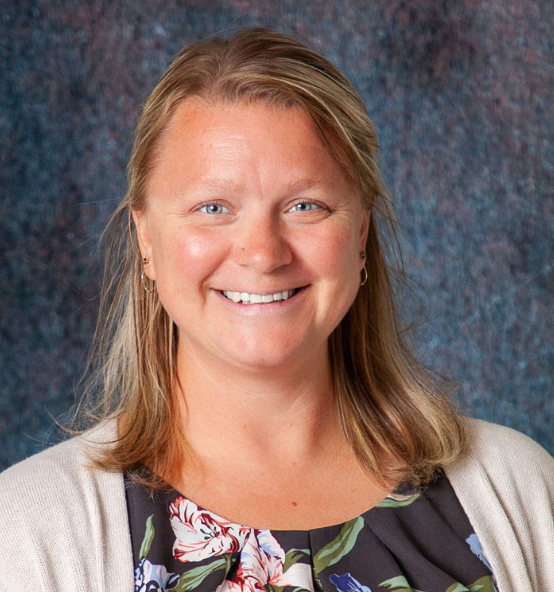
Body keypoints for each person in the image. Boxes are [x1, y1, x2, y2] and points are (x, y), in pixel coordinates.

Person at [0, 27, 552, 592]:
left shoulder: (516, 489)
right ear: (146, 239)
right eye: (213, 207)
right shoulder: (31, 530)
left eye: (305, 205)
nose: (263, 253)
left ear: (360, 232)